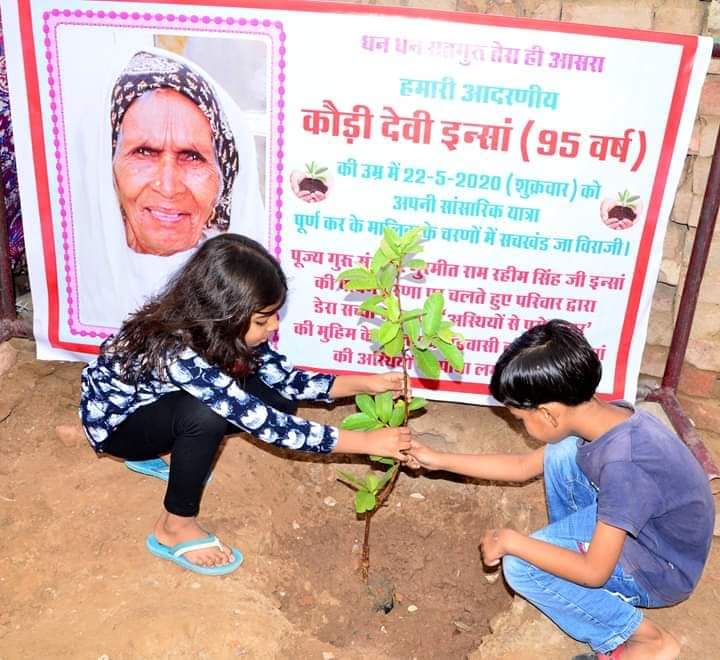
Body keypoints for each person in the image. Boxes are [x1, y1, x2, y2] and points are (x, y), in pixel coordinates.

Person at [79, 233, 411, 576]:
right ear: (225, 315)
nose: (275, 326)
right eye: (263, 320)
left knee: (277, 398)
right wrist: (365, 443)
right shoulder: (175, 349)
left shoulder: (222, 332)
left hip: (158, 403)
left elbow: (288, 382)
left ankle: (174, 452)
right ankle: (173, 527)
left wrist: (365, 383)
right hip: (119, 427)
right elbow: (264, 424)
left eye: (274, 315)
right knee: (205, 415)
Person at [406, 319, 714, 660]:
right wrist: (439, 459)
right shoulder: (607, 417)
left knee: (521, 566)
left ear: (549, 414)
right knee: (562, 453)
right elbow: (522, 467)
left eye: (521, 420)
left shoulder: (625, 466)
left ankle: (644, 640)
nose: (520, 426)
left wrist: (513, 542)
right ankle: (566, 560)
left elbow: (594, 573)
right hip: (650, 534)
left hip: (660, 570)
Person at [73, 47, 266, 329]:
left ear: (223, 180)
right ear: (109, 169)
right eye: (144, 152)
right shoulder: (80, 269)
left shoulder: (238, 283)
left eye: (192, 156)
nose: (167, 186)